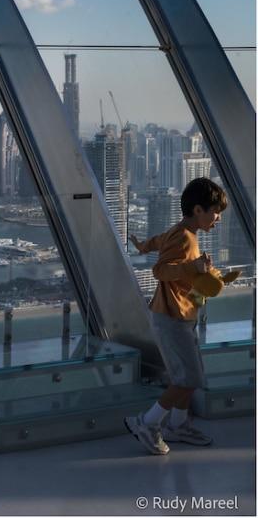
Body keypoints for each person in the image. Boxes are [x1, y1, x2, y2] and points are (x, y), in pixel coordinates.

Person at [123, 177, 238, 455]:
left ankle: (178, 425)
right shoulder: (186, 239)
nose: (218, 218)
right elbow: (160, 271)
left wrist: (144, 246)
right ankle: (147, 423)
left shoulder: (183, 233)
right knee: (186, 378)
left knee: (191, 376)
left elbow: (161, 241)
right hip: (171, 318)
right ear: (198, 210)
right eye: (215, 212)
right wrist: (192, 266)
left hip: (183, 316)